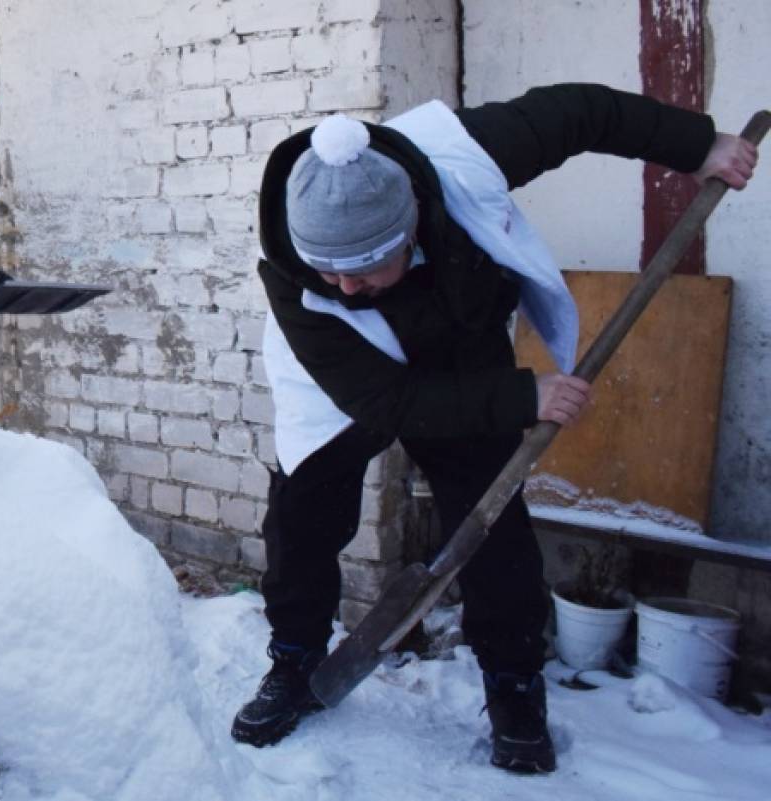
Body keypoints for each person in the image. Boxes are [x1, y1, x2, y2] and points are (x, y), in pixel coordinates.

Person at [232, 84, 757, 773]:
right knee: (302, 513)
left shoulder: (462, 154)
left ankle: (512, 681)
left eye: (363, 269)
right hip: (349, 378)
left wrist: (697, 146)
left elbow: (580, 114)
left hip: (458, 343)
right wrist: (520, 396)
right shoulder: (302, 284)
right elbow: (389, 401)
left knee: (490, 517)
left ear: (412, 222)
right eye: (329, 271)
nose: (344, 287)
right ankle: (294, 659)